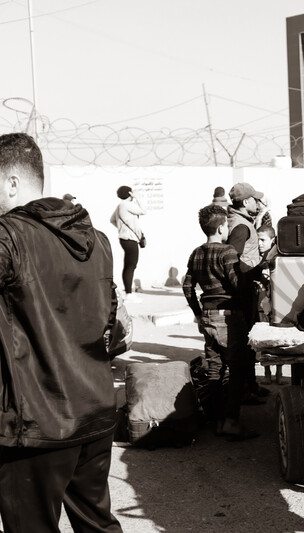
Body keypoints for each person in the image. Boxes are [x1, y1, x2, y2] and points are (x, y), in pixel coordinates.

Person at [0, 133, 122, 532]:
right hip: (95, 413)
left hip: (38, 425)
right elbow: (112, 324)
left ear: (12, 181)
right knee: (98, 525)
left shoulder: (9, 236)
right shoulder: (98, 239)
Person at [183, 204, 258, 441]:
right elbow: (237, 284)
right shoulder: (227, 253)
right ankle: (231, 422)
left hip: (207, 316)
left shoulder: (195, 253)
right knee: (237, 369)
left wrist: (197, 312)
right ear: (222, 226)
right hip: (228, 316)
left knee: (214, 368)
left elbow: (187, 286)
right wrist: (252, 274)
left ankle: (217, 420)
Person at [227, 182, 270, 402]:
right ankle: (245, 389)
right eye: (255, 199)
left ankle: (250, 385)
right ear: (245, 202)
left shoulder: (240, 221)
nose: (258, 201)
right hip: (243, 289)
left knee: (248, 341)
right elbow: (232, 259)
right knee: (246, 342)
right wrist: (257, 269)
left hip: (244, 286)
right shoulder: (241, 227)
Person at [110, 184, 146, 303]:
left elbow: (112, 220)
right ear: (129, 194)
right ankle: (129, 294)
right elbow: (144, 210)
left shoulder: (120, 205)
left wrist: (121, 229)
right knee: (131, 266)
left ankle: (128, 292)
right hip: (130, 239)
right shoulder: (126, 205)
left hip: (124, 239)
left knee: (128, 266)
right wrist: (137, 197)